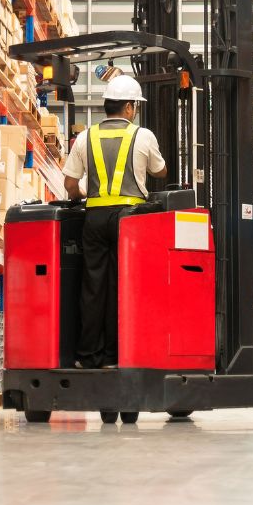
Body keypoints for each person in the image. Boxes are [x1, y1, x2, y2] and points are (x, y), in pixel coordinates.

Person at [61, 74, 168, 368]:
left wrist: (80, 196)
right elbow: (161, 172)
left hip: (94, 219)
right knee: (125, 285)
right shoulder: (142, 136)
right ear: (130, 108)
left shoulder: (85, 137)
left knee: (93, 286)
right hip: (130, 222)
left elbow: (70, 183)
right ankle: (119, 354)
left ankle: (88, 356)